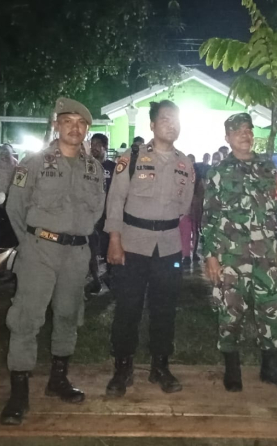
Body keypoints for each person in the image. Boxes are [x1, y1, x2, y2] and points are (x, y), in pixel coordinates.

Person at [1, 98, 104, 425]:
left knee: (68, 315)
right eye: (68, 121)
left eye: (81, 123)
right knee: (26, 318)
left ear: (87, 130)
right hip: (39, 250)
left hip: (76, 254)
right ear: (57, 125)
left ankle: (58, 380)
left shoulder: (94, 168)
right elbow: (15, 207)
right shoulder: (33, 162)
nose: (75, 128)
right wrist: (32, 242)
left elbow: (97, 210)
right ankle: (19, 393)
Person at [203, 113, 277, 393]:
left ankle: (272, 367)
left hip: (266, 255)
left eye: (248, 130)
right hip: (231, 256)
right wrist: (210, 256)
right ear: (227, 138)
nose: (244, 135)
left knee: (272, 310)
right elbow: (208, 217)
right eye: (237, 131)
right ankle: (232, 368)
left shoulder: (269, 169)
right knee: (230, 311)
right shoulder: (218, 172)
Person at [104, 100, 194, 398]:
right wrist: (114, 239)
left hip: (168, 247)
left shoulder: (186, 164)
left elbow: (184, 207)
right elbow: (115, 201)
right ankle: (122, 367)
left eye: (176, 120)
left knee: (165, 308)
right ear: (153, 125)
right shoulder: (131, 158)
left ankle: (160, 366)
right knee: (127, 308)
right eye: (165, 119)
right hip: (132, 243)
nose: (172, 125)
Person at [87, 133, 116, 294]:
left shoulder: (113, 168)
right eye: (92, 144)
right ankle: (96, 281)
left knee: (109, 249)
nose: (94, 148)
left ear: (105, 146)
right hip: (91, 217)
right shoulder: (87, 166)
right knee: (91, 250)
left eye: (97, 144)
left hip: (109, 216)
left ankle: (111, 278)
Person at [178, 154, 198, 268]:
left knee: (187, 233)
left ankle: (187, 255)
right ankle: (184, 255)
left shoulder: (197, 175)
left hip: (189, 211)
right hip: (180, 210)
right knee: (182, 234)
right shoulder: (180, 175)